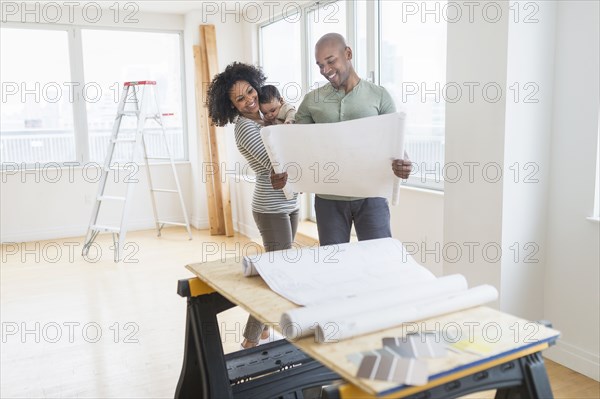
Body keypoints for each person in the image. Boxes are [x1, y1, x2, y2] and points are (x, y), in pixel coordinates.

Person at [271, 33, 412, 246]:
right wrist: (282, 174)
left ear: (348, 53)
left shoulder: (379, 96)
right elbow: (296, 148)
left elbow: (394, 143)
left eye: (330, 61)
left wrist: (404, 163)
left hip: (371, 197)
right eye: (320, 65)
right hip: (329, 200)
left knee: (380, 260)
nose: (325, 70)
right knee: (334, 264)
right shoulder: (311, 101)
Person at [207, 62, 299, 349]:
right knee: (276, 274)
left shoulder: (265, 118)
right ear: (231, 106)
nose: (250, 100)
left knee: (277, 268)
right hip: (270, 207)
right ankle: (250, 339)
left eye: (250, 91)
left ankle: (259, 333)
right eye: (240, 98)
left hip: (290, 202)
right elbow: (277, 163)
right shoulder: (246, 127)